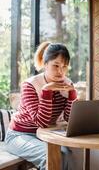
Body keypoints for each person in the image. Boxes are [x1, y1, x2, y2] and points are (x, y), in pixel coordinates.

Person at [5, 42, 77, 170]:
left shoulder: (67, 84)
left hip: (46, 134)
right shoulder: (30, 85)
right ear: (45, 64)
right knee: (50, 156)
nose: (60, 71)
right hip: (20, 135)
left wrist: (72, 94)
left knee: (67, 155)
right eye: (56, 65)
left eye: (64, 66)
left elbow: (68, 118)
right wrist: (46, 92)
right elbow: (41, 122)